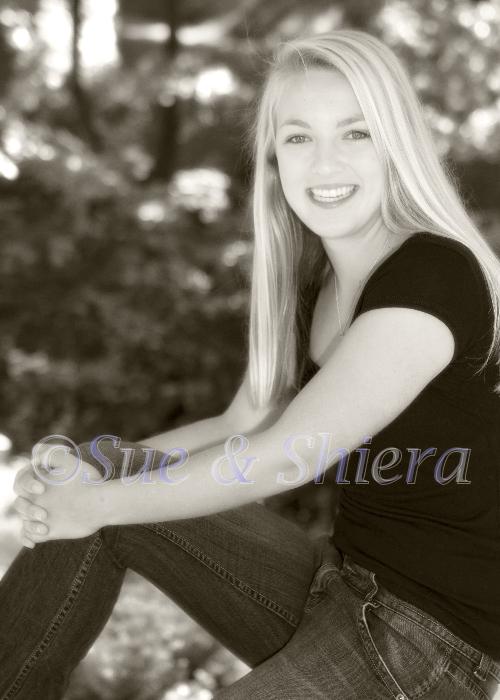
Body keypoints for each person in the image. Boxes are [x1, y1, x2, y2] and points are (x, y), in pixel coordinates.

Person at [1, 28, 500, 700]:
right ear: (273, 158)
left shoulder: (433, 276)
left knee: (103, 497)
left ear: (396, 144)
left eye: (356, 133)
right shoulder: (318, 283)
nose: (325, 162)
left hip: (428, 650)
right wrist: (76, 484)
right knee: (105, 470)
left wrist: (93, 504)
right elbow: (241, 426)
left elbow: (286, 456)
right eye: (298, 138)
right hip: (340, 586)